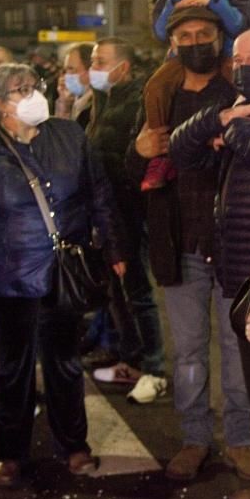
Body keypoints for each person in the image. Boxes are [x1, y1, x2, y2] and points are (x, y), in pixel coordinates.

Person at [0, 64, 127, 488]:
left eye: (34, 87)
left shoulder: (68, 134)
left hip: (61, 271)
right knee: (12, 369)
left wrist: (114, 247)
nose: (31, 94)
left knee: (64, 363)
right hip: (6, 276)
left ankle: (74, 444)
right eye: (19, 89)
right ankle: (11, 453)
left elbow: (99, 193)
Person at [128, 6, 250, 483]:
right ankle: (195, 439)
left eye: (204, 33)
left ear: (219, 38)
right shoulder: (159, 95)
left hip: (233, 241)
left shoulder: (240, 88)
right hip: (179, 241)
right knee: (187, 352)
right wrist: (139, 150)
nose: (196, 41)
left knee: (237, 348)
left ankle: (241, 440)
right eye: (185, 35)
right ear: (173, 42)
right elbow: (132, 166)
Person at [168, 26, 250, 499]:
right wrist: (224, 117)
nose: (248, 66)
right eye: (241, 59)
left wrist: (236, 130)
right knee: (198, 354)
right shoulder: (226, 105)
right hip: (221, 254)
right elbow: (179, 148)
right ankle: (198, 440)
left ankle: (248, 447)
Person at [142, 0, 250, 191]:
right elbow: (158, 29)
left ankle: (240, 139)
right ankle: (161, 155)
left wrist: (210, 1)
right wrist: (175, 4)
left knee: (240, 87)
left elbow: (240, 24)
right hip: (182, 58)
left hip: (224, 54)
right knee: (155, 87)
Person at [83, 38, 166, 401]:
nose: (94, 67)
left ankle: (154, 367)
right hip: (108, 209)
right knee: (116, 290)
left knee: (136, 290)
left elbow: (135, 159)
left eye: (101, 61)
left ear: (124, 67)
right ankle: (130, 359)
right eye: (93, 61)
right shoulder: (104, 100)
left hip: (130, 209)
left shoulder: (137, 102)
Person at [54, 42, 94, 122]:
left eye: (71, 69)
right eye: (65, 70)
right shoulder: (76, 101)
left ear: (90, 70)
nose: (65, 76)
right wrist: (64, 104)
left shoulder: (95, 107)